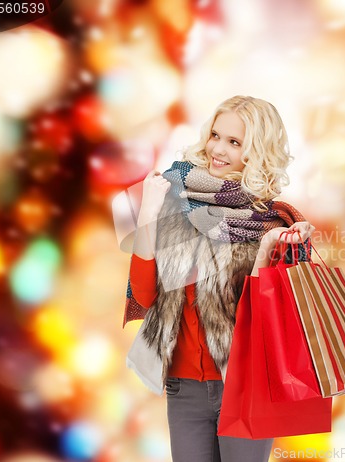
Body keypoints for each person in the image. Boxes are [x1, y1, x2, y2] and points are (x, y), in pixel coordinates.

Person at [122, 95, 315, 462]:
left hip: (247, 386)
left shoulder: (272, 222)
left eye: (234, 142)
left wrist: (267, 251)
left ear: (256, 152)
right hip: (184, 388)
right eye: (215, 135)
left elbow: (262, 322)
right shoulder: (176, 202)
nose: (217, 149)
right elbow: (145, 297)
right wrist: (148, 213)